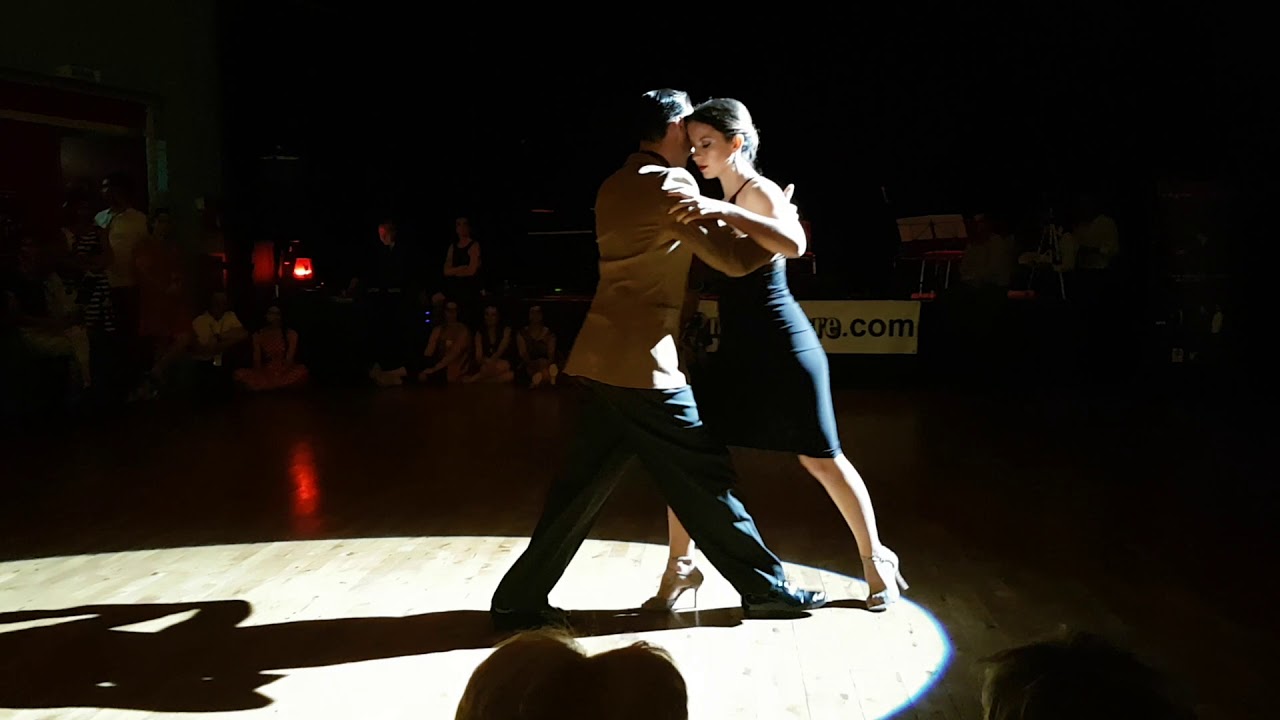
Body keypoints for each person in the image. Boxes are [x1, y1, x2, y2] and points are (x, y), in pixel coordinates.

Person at [489, 89, 825, 632]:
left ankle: (516, 600)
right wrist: (774, 215)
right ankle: (768, 590)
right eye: (687, 126)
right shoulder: (671, 182)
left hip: (600, 358)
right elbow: (736, 259)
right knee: (704, 475)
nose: (692, 139)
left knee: (578, 488)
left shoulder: (614, 183)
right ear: (672, 128)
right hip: (644, 366)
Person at [655, 98, 907, 612]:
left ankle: (877, 559)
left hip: (784, 347)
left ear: (736, 143)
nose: (699, 155)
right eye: (694, 145)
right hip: (738, 353)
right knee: (692, 460)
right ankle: (680, 568)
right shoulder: (724, 195)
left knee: (822, 459)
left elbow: (793, 244)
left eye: (708, 144)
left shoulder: (757, 190)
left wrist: (725, 210)